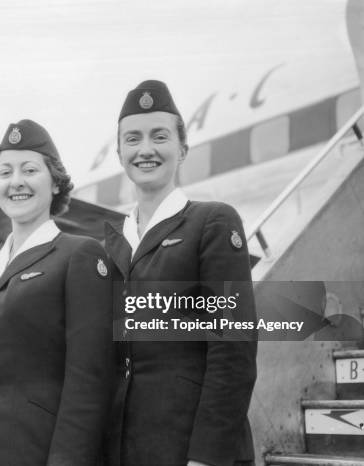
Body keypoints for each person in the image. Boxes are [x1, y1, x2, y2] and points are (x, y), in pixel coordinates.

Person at [0, 119, 112, 466]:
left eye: (29, 170)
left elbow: (88, 382)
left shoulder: (79, 255)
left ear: (55, 183)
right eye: (5, 173)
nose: (16, 181)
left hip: (35, 453)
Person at [104, 80, 258, 466]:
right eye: (133, 139)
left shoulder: (212, 223)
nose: (145, 150)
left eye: (160, 136)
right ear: (120, 152)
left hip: (192, 450)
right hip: (128, 449)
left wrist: (207, 456)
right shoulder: (110, 247)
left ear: (182, 148)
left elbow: (234, 350)